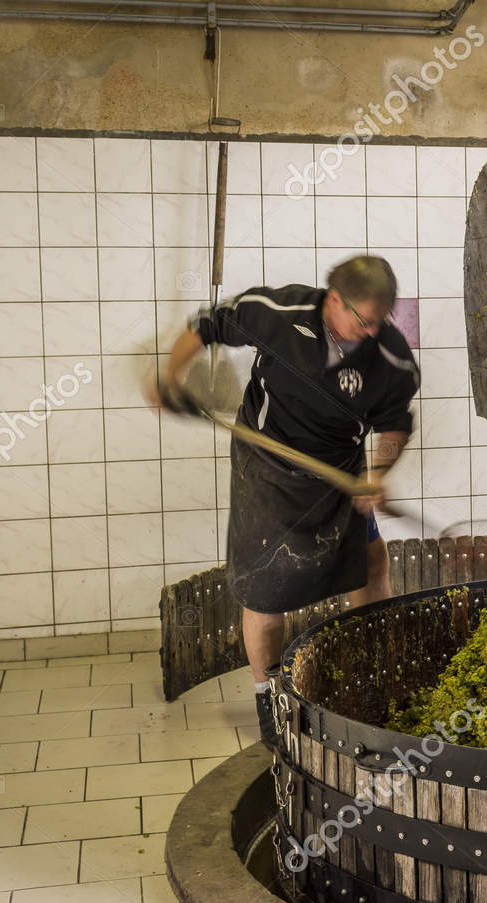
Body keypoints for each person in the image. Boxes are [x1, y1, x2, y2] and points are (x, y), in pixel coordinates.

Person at [146, 255, 419, 745]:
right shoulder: (279, 312)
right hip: (266, 468)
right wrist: (170, 376)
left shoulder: (391, 357)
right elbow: (207, 325)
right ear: (333, 300)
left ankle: (374, 670)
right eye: (364, 321)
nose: (373, 332)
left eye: (381, 322)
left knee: (371, 562)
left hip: (339, 472)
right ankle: (268, 697)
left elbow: (396, 425)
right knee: (265, 589)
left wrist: (378, 471)